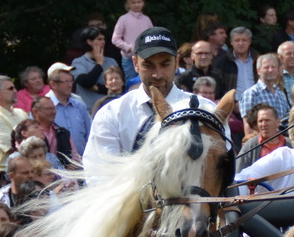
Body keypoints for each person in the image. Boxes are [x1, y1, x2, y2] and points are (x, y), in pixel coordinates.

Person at [87, 27, 222, 160]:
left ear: (176, 63)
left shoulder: (205, 110)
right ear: (135, 63)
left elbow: (220, 168)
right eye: (148, 65)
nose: (157, 75)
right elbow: (100, 171)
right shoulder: (112, 114)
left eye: (165, 64)